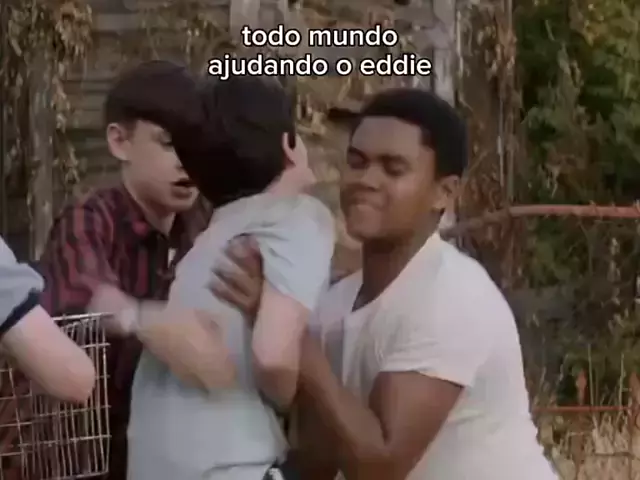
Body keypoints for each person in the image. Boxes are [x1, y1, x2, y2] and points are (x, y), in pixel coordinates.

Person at [213, 88, 559, 479]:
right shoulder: (336, 303)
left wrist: (296, 342)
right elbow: (321, 457)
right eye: (356, 162)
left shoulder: (452, 298)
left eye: (393, 169)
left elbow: (380, 468)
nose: (366, 180)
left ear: (444, 193)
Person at [109, 75, 334, 480]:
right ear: (290, 145)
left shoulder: (208, 240)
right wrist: (286, 401)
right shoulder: (298, 218)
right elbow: (274, 357)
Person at [36, 60, 220, 480]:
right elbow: (93, 298)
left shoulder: (206, 228)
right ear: (120, 142)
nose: (188, 161)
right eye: (170, 144)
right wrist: (148, 321)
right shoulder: (89, 220)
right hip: (79, 459)